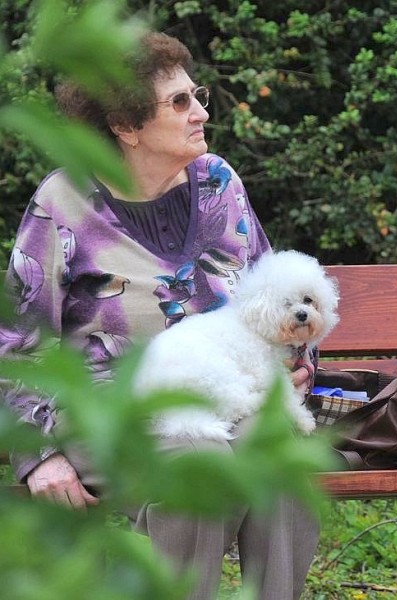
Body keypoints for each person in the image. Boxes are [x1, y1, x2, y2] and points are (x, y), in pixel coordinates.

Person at [1, 31, 318, 600]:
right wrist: (37, 456)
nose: (200, 112)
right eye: (179, 102)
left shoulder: (218, 183)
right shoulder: (63, 203)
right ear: (126, 127)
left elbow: (279, 286)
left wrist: (297, 360)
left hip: (228, 395)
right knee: (196, 464)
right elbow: (17, 341)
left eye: (196, 95)